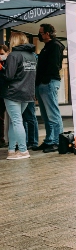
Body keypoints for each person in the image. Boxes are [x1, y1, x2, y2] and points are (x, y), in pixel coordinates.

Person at [1, 32, 37, 160]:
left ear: (14, 41)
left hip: (13, 93)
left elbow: (8, 76)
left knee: (16, 121)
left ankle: (23, 151)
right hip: (27, 93)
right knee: (14, 121)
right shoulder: (32, 56)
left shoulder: (14, 55)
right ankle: (11, 150)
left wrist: (2, 69)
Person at [34, 23, 65, 153]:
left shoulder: (55, 46)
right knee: (46, 115)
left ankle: (58, 142)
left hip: (49, 83)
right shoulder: (47, 47)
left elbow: (54, 66)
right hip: (43, 83)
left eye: (41, 33)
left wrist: (45, 80)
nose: (39, 35)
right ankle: (49, 140)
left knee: (53, 114)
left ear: (47, 33)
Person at [0, 44, 9, 148]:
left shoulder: (8, 62)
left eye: (2, 54)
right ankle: (1, 139)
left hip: (7, 92)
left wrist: (2, 68)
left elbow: (9, 74)